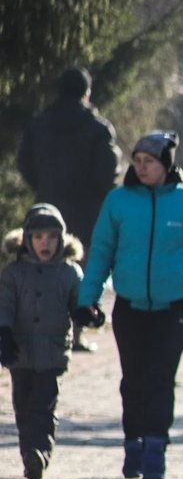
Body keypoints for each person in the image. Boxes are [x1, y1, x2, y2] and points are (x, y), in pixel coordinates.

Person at [75, 130, 183, 479]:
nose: (142, 167)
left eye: (149, 161)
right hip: (130, 308)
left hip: (174, 309)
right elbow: (101, 251)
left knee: (161, 379)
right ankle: (133, 442)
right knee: (133, 380)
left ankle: (155, 451)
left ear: (166, 164)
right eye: (137, 161)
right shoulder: (118, 202)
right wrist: (86, 298)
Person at [17, 67, 122, 352]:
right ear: (86, 92)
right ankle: (75, 332)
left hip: (49, 203)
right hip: (87, 208)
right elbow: (109, 170)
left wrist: (42, 184)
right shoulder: (97, 127)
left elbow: (24, 161)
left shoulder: (41, 123)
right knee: (82, 269)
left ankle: (43, 330)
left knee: (44, 263)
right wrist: (101, 195)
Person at [0, 204, 96, 479]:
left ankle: (40, 452)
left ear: (62, 240)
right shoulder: (14, 273)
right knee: (22, 406)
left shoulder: (69, 272)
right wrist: (4, 334)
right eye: (39, 237)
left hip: (53, 353)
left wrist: (88, 314)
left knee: (44, 405)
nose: (46, 243)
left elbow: (80, 303)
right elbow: (4, 305)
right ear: (27, 239)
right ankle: (28, 454)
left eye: (52, 237)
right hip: (19, 352)